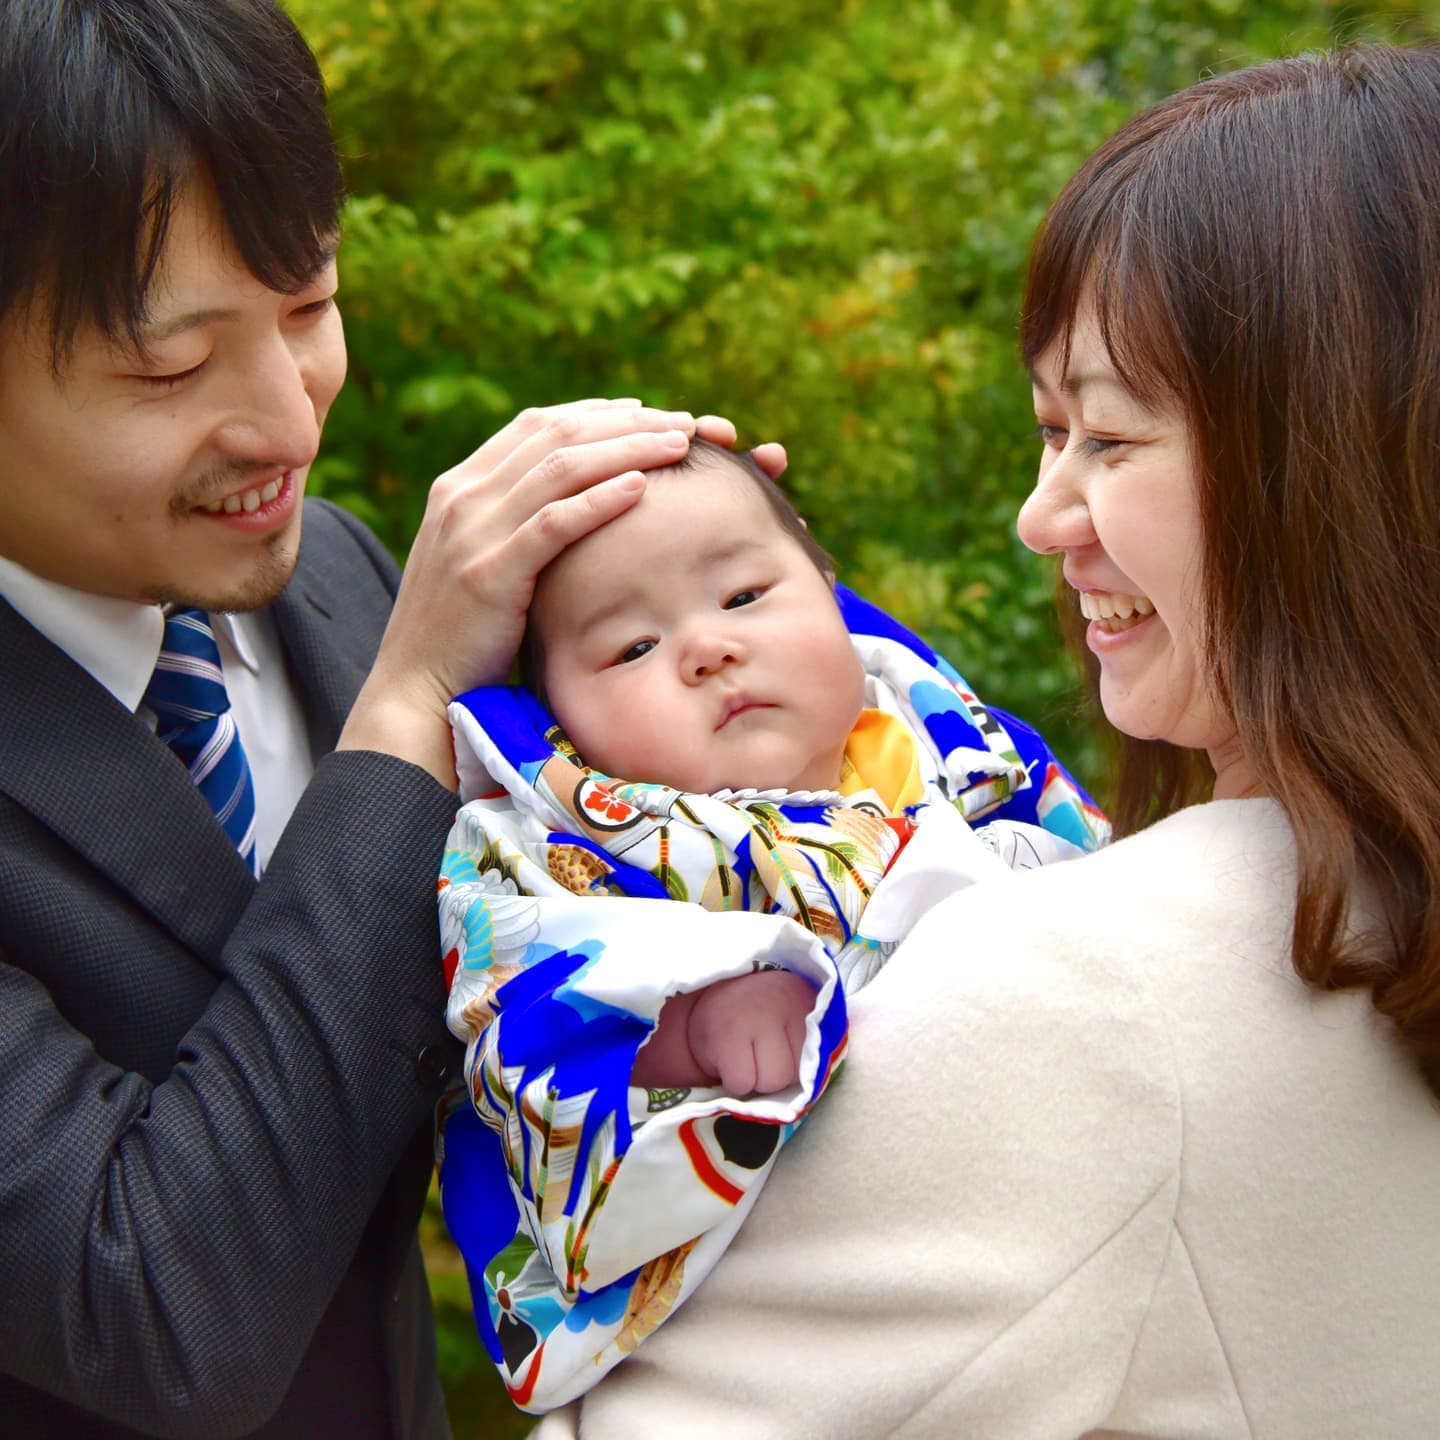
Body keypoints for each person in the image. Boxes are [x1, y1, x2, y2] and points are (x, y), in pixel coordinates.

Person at [530, 43, 1440, 1440]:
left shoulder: (1100, 996)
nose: (1043, 514)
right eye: (1045, 430)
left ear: (1322, 466)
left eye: (1110, 439)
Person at [0, 2, 753, 1435]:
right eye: (169, 368)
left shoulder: (339, 577)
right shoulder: (401, 657)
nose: (289, 421)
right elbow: (154, 1302)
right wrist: (406, 712)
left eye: (309, 305)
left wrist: (711, 596)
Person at [436, 437, 1108, 1409]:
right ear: (558, 718)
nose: (709, 647)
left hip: (1025, 1238)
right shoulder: (545, 843)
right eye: (632, 648)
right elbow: (516, 1033)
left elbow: (1106, 898)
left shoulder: (963, 754)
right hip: (765, 1340)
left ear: (828, 587)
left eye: (746, 595)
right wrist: (689, 1028)